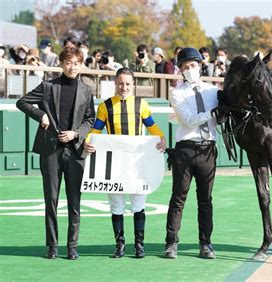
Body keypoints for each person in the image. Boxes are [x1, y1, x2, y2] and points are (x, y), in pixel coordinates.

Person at [16, 47, 95, 260]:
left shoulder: (87, 90)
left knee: (75, 200)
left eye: (76, 63)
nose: (72, 67)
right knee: (51, 200)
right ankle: (52, 246)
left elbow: (90, 120)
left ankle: (72, 247)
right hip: (50, 150)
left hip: (75, 151)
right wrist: (41, 114)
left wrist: (75, 134)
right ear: (61, 63)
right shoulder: (48, 86)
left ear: (81, 65)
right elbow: (21, 102)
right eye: (68, 62)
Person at [84, 67, 166, 259]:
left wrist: (161, 137)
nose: (124, 87)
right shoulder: (105, 106)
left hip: (137, 163)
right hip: (115, 164)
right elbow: (96, 129)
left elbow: (152, 126)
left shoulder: (141, 104)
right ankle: (119, 245)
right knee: (117, 205)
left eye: (128, 83)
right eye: (121, 83)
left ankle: (139, 245)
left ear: (133, 85)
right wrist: (87, 141)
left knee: (138, 203)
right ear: (115, 83)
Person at [164, 47, 224, 259]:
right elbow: (188, 120)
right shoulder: (177, 93)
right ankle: (171, 242)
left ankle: (205, 244)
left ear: (200, 66)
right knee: (179, 197)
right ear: (180, 70)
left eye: (193, 65)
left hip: (208, 148)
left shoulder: (214, 91)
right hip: (186, 149)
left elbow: (223, 117)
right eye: (185, 67)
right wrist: (213, 112)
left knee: (205, 199)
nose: (190, 69)